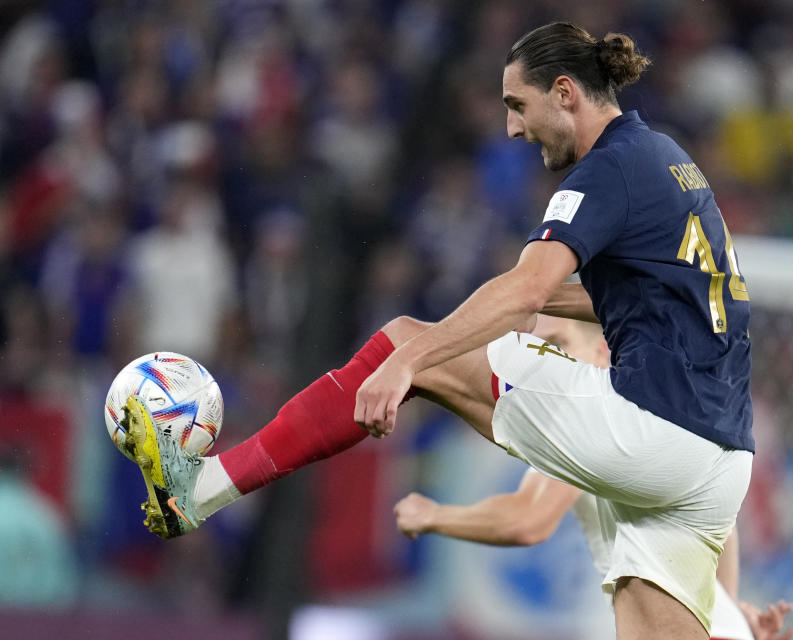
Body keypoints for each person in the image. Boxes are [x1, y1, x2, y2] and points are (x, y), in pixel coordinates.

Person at [120, 22, 754, 640]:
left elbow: (525, 284)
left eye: (517, 105)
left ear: (565, 93)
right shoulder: (669, 159)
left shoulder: (608, 168)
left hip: (654, 426)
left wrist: (410, 362)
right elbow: (648, 295)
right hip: (721, 460)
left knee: (400, 340)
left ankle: (200, 489)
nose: (511, 126)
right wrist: (545, 309)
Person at [392, 316, 793, 640]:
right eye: (538, 346)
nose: (543, 358)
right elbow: (721, 528)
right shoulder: (661, 416)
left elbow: (527, 519)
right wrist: (726, 610)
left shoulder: (597, 432)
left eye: (557, 345)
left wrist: (433, 516)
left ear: (602, 352)